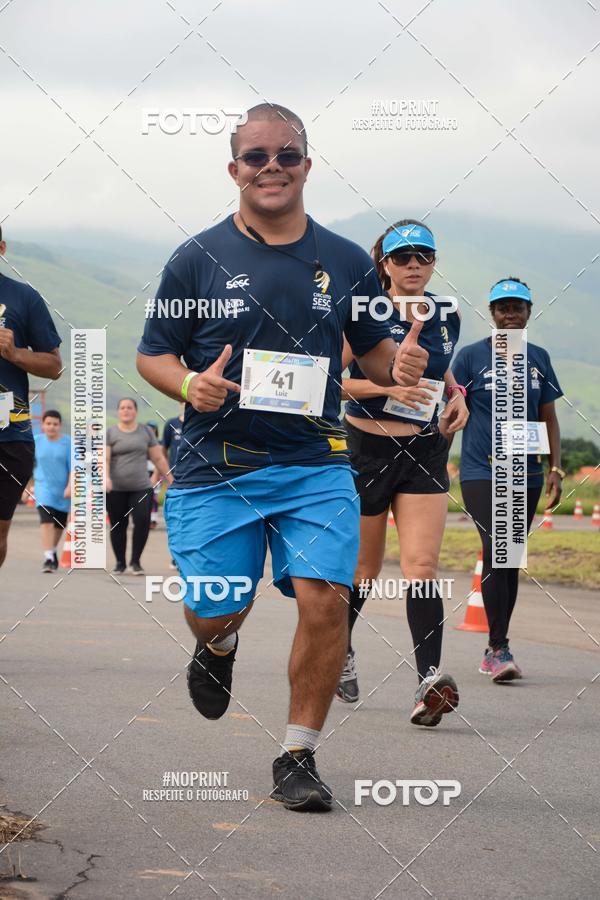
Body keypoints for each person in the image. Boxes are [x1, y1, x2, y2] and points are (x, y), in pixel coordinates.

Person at [137, 103, 428, 812]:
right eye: (257, 156)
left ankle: (298, 753)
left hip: (316, 462)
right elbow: (153, 356)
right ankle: (216, 647)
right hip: (217, 465)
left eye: (287, 155)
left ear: (307, 164)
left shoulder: (347, 259)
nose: (272, 167)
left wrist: (403, 367)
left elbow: (381, 356)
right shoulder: (195, 257)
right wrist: (189, 383)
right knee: (216, 608)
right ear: (234, 168)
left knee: (326, 600)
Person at [339, 220, 469, 728]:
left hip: (425, 451)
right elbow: (331, 382)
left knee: (421, 566)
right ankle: (339, 649)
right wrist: (387, 389)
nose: (414, 263)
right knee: (363, 572)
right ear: (385, 264)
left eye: (424, 255)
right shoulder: (363, 311)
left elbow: (445, 375)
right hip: (367, 450)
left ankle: (428, 683)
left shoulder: (446, 313)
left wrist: (459, 402)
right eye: (403, 256)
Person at [452, 277, 563, 681]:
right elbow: (451, 407)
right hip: (482, 468)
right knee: (497, 544)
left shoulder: (540, 358)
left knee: (510, 557)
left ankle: (498, 645)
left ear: (529, 312)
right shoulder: (469, 358)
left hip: (528, 470)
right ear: (492, 313)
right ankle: (497, 648)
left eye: (517, 307)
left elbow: (549, 418)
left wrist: (555, 467)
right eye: (502, 308)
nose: (510, 313)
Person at [0, 228, 63, 569]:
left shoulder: (24, 298)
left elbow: (54, 366)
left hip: (9, 435)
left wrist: (14, 353)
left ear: (2, 248)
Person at [106, 398, 172, 575]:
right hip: (116, 488)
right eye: (122, 408)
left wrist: (171, 479)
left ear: (135, 411)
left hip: (141, 486)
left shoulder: (146, 432)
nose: (126, 410)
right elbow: (103, 459)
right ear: (118, 412)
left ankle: (135, 561)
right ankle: (120, 562)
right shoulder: (110, 433)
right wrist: (105, 478)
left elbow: (158, 458)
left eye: (129, 407)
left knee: (142, 521)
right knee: (118, 524)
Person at [33, 410, 71, 572]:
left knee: (59, 525)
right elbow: (28, 464)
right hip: (43, 488)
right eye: (48, 423)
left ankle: (52, 550)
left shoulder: (68, 443)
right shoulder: (36, 441)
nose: (51, 427)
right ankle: (48, 557)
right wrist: (25, 486)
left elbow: (74, 468)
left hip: (63, 491)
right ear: (43, 425)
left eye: (55, 424)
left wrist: (70, 486)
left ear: (60, 425)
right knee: (46, 520)